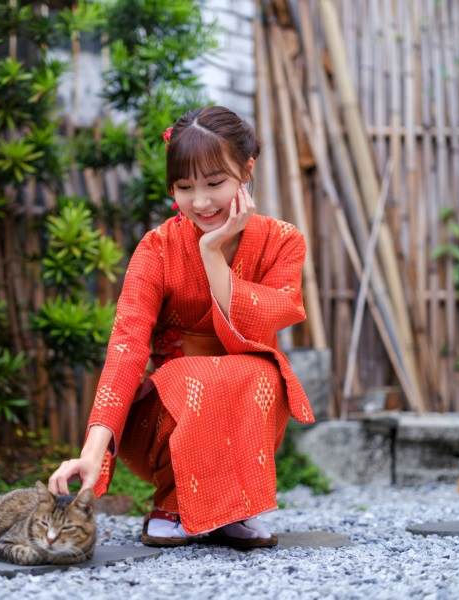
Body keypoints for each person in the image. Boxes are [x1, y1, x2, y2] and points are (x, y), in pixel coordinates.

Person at [48, 105, 314, 548]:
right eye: (185, 187)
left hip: (248, 402)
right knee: (196, 377)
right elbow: (127, 344)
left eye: (215, 183)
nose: (202, 202)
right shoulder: (157, 248)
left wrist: (212, 255)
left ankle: (233, 507)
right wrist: (92, 451)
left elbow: (274, 313)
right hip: (164, 415)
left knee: (258, 371)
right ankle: (172, 503)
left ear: (246, 171)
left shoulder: (283, 240)